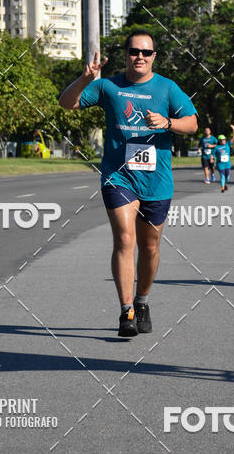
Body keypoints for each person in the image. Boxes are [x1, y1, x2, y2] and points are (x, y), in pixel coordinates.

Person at [58, 31, 198, 337]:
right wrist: (84, 79)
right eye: (135, 51)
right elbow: (66, 103)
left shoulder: (167, 88)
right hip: (118, 176)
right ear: (126, 54)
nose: (140, 57)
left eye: (146, 52)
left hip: (156, 180)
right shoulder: (108, 86)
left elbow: (192, 123)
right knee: (124, 238)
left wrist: (168, 123)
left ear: (154, 56)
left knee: (150, 246)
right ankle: (126, 312)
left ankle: (142, 300)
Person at [214, 126, 234, 192]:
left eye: (224, 139)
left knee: (227, 177)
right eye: (222, 140)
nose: (223, 141)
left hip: (227, 164)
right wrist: (212, 159)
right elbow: (213, 155)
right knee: (222, 176)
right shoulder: (216, 147)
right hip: (220, 164)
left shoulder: (227, 144)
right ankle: (222, 188)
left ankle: (224, 184)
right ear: (219, 141)